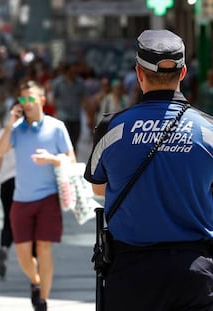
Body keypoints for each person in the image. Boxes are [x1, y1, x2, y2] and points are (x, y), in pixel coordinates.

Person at [84, 29, 213, 311]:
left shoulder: (112, 127)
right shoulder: (208, 130)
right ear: (183, 74)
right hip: (195, 272)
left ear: (139, 74)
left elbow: (97, 187)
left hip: (131, 274)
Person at [0, 80, 75, 311]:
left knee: (43, 249)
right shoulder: (17, 129)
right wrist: (10, 124)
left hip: (48, 197)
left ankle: (43, 300)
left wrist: (51, 159)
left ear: (42, 100)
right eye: (23, 99)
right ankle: (35, 281)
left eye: (31, 98)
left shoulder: (57, 127)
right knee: (22, 252)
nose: (26, 103)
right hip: (21, 199)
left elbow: (71, 159)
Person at [0, 100, 21, 278]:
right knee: (26, 222)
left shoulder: (3, 133)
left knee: (9, 221)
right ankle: (34, 258)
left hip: (6, 183)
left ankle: (4, 248)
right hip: (25, 184)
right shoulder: (29, 133)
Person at [51, 61, 88, 152]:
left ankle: (73, 162)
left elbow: (84, 99)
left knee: (74, 142)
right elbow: (53, 99)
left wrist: (88, 115)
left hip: (76, 117)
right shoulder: (58, 83)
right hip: (63, 116)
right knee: (63, 141)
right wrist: (54, 113)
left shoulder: (80, 83)